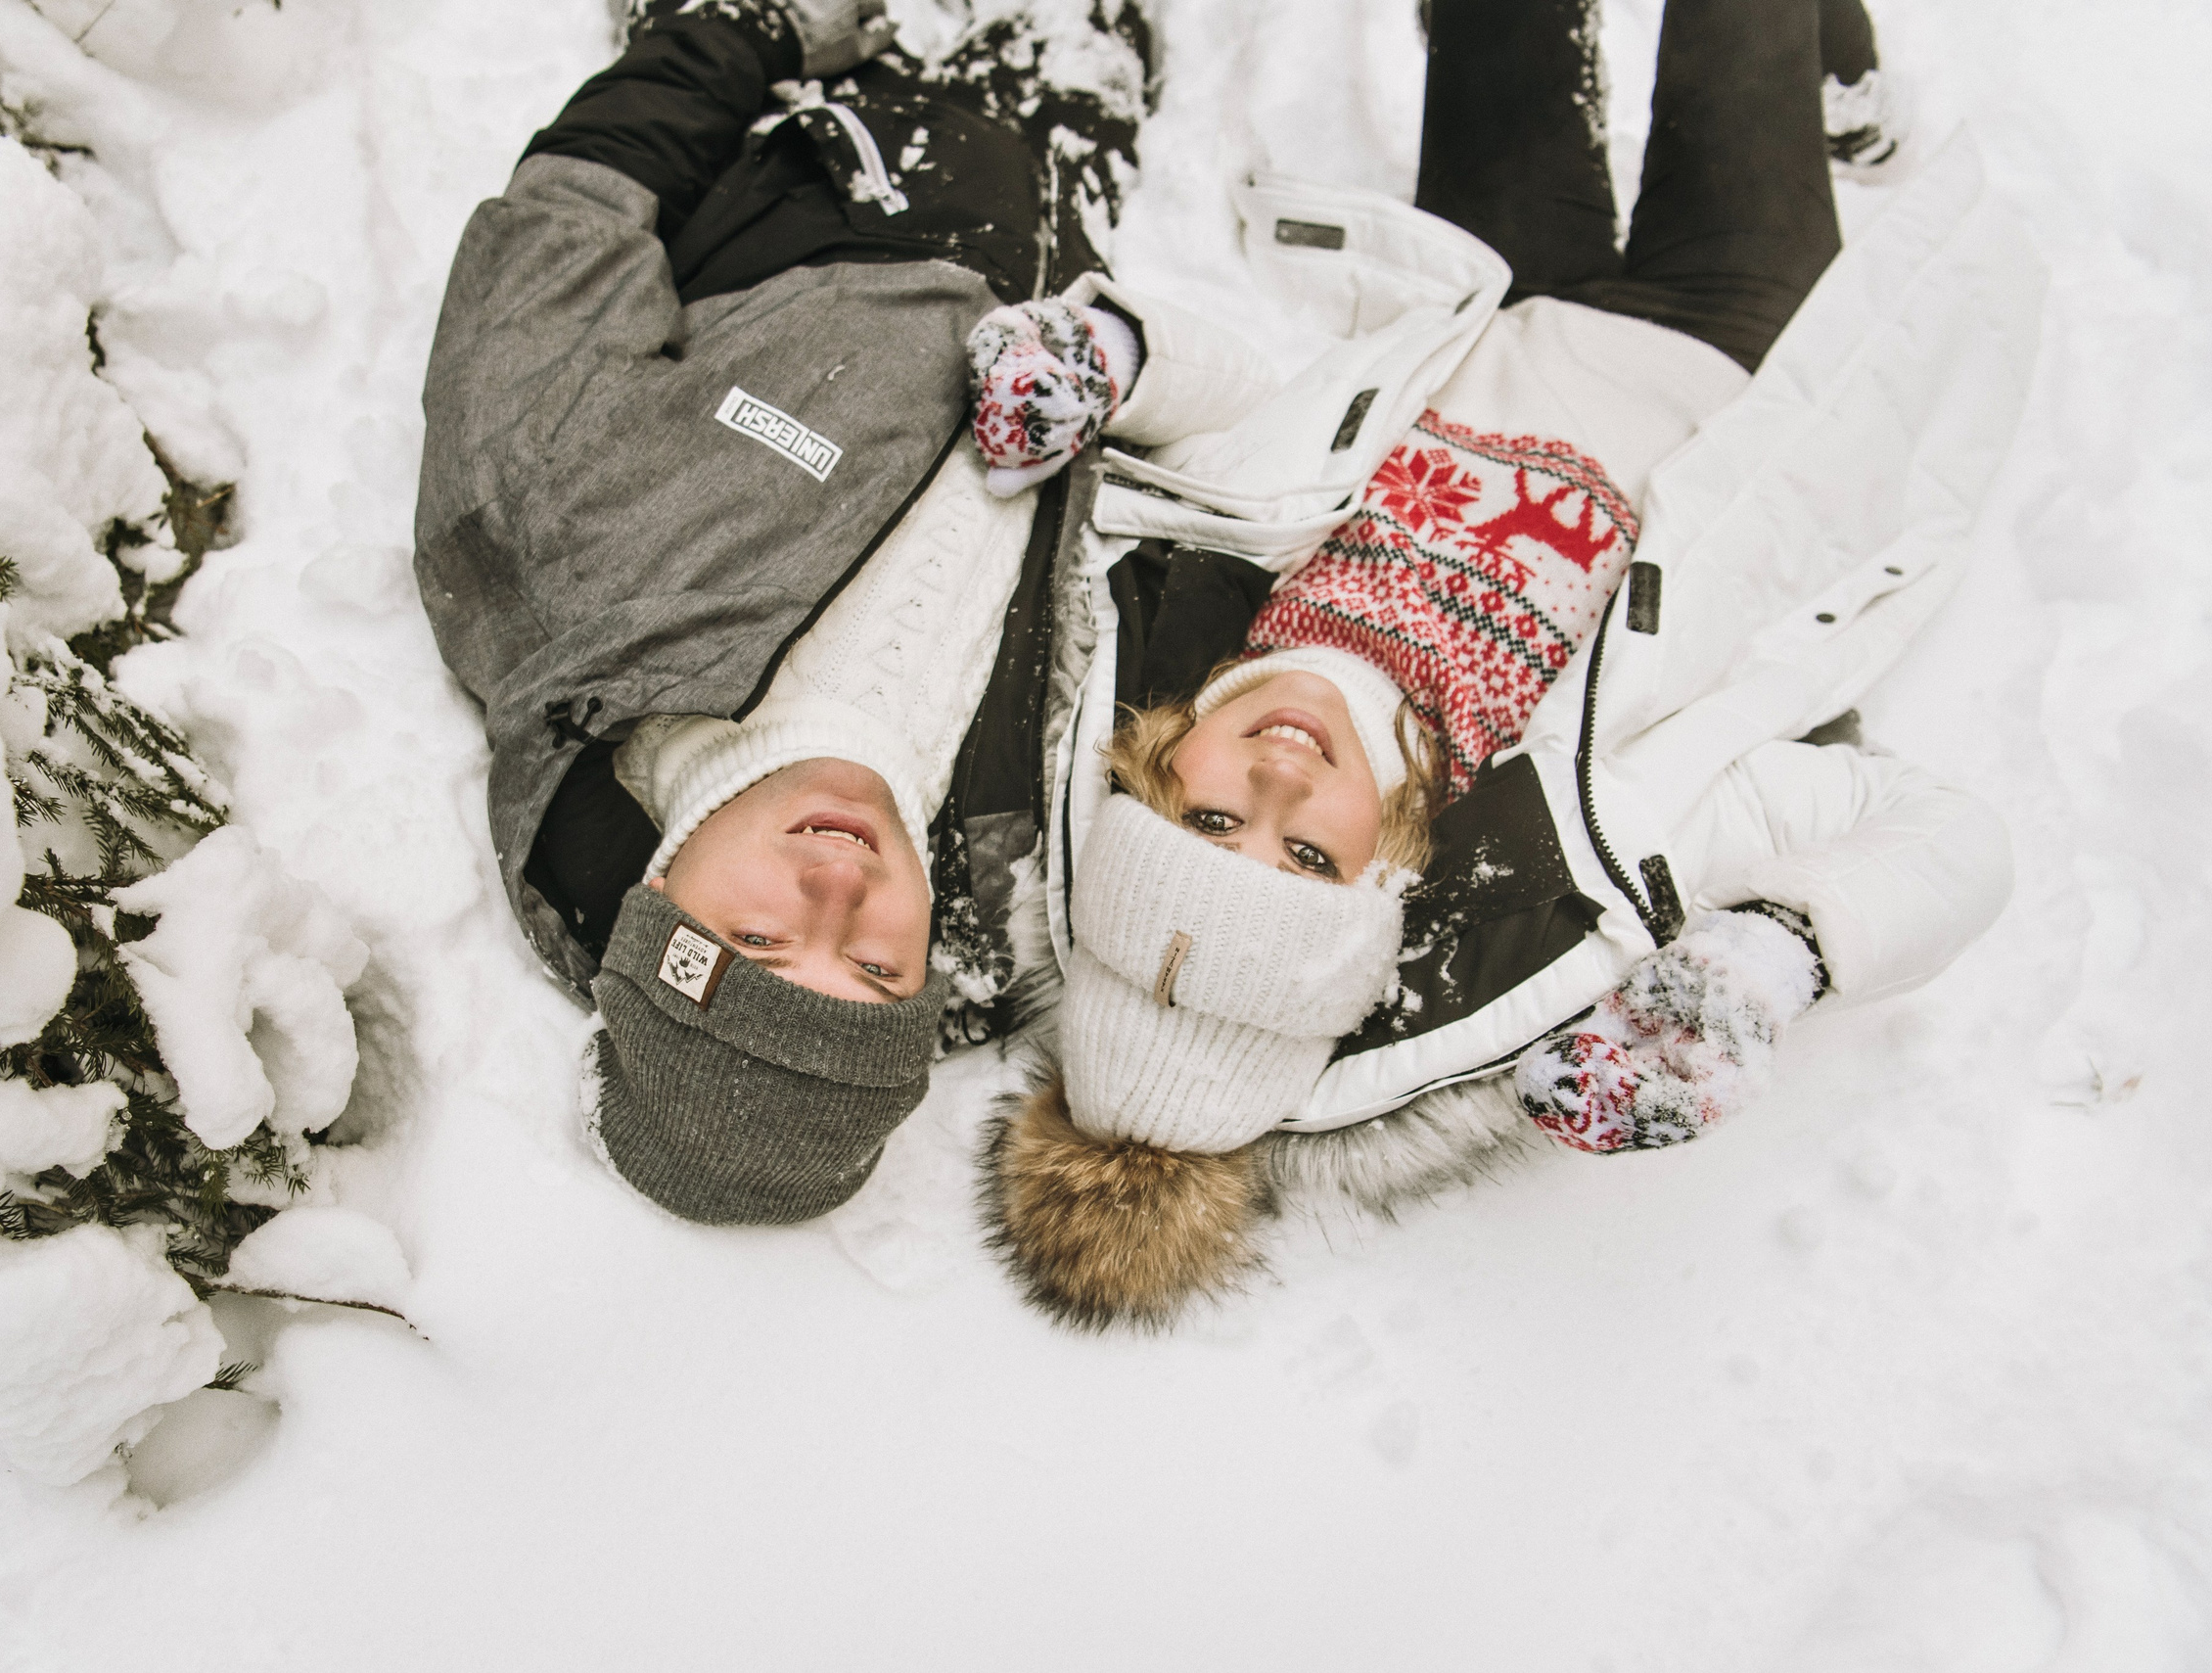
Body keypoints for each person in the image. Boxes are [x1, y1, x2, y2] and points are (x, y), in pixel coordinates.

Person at [972, 0, 2043, 1328]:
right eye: (1307, 858)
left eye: (1207, 821)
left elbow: (1248, 406)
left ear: (1151, 771)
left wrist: (1115, 358)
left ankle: (1827, 61)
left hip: (1494, 289)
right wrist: (1777, 954)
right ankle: (1832, 67)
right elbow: (1950, 833)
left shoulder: (1204, 618)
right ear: (1385, 875)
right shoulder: (1588, 807)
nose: (1280, 783)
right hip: (1731, 338)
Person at [414, 0, 1281, 1224]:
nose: (836, 894)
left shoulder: (550, 565)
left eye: (759, 944)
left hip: (867, 121)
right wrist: (1123, 356)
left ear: (654, 897)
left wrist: (740, 31)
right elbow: (1273, 473)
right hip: (1071, 176)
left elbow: (574, 216)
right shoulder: (1048, 819)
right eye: (875, 967)